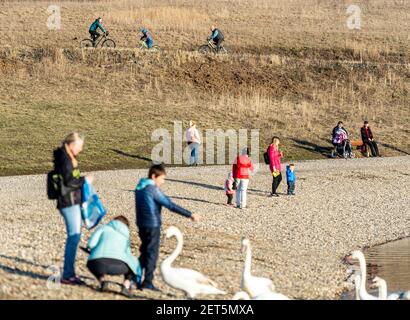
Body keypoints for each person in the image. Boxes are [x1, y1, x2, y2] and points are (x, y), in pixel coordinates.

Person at [134, 164, 201, 291]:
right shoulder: (152, 189)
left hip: (141, 224)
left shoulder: (139, 187)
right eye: (162, 179)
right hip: (152, 225)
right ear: (154, 176)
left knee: (144, 252)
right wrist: (190, 214)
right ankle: (147, 281)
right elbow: (169, 205)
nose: (163, 182)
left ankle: (134, 277)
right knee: (152, 253)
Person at [53, 132, 93, 285]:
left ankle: (69, 272)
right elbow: (69, 181)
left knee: (74, 236)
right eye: (79, 146)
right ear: (71, 145)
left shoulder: (64, 156)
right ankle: (68, 274)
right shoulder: (65, 159)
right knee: (74, 236)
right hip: (68, 202)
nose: (81, 150)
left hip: (69, 201)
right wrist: (84, 180)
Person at [86, 216, 140, 298]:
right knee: (132, 263)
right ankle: (125, 285)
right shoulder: (126, 236)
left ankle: (102, 281)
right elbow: (128, 255)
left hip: (98, 264)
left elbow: (90, 244)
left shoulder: (103, 228)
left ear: (113, 221)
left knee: (92, 261)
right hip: (119, 267)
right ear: (126, 226)